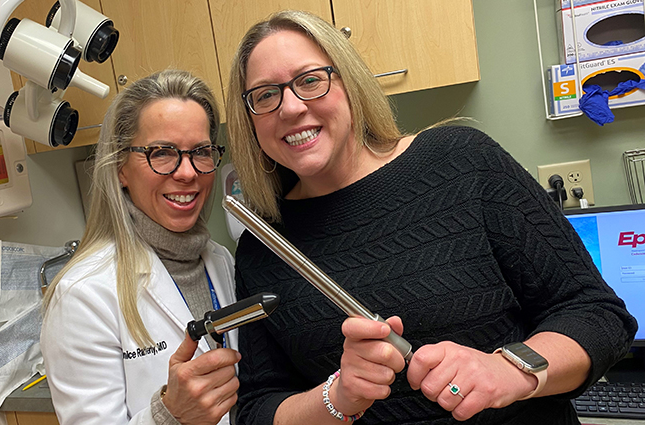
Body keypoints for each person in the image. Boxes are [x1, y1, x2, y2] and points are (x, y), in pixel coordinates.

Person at [225, 10, 637, 425]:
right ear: (250, 120)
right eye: (264, 95)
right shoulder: (260, 249)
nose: (292, 108)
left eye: (310, 80)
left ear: (348, 82)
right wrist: (338, 396)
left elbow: (598, 314)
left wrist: (509, 369)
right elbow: (257, 408)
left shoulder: (463, 161)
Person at [41, 69, 240, 425]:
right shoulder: (83, 295)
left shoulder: (219, 261)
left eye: (201, 152)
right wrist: (169, 416)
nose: (187, 173)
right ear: (120, 167)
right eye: (162, 152)